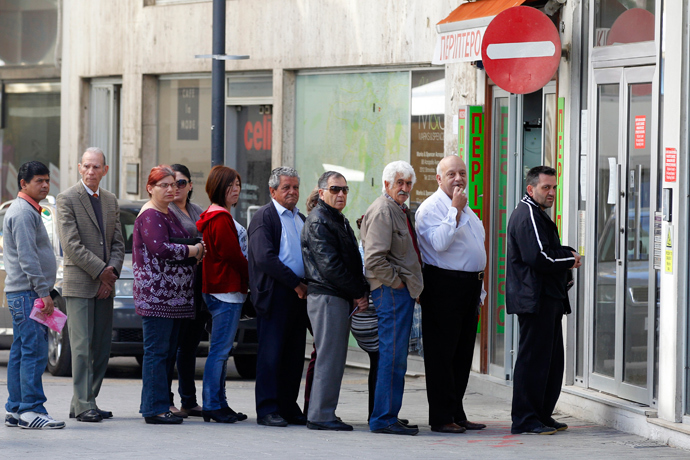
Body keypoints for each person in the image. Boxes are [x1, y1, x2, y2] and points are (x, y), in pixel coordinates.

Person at [506, 166, 582, 435]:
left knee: (550, 362)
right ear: (531, 189)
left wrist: (565, 261)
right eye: (545, 188)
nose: (551, 193)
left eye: (553, 187)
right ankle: (525, 419)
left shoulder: (537, 213)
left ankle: (540, 415)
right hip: (534, 300)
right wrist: (569, 260)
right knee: (532, 361)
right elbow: (538, 256)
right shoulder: (526, 214)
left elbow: (548, 252)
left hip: (547, 299)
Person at [415, 156, 487, 434]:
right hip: (444, 286)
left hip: (468, 287)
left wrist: (479, 290)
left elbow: (476, 247)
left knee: (462, 354)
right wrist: (454, 211)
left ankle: (457, 411)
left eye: (462, 173)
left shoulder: (466, 207)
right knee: (441, 356)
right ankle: (442, 417)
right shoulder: (432, 208)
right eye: (451, 174)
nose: (458, 179)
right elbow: (439, 244)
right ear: (438, 178)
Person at [56, 147, 125, 423]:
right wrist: (101, 273)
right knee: (82, 347)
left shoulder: (110, 200)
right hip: (81, 283)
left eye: (96, 167)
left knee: (101, 347)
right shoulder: (67, 198)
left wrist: (112, 272)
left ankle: (86, 400)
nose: (91, 171)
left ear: (105, 170)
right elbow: (71, 245)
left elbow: (118, 243)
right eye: (86, 166)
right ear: (79, 168)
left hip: (105, 284)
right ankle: (85, 404)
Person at [133, 165, 206, 425]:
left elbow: (189, 240)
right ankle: (153, 409)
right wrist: (195, 251)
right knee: (156, 353)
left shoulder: (170, 214)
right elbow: (161, 249)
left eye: (173, 185)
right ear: (150, 188)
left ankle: (161, 404)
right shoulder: (151, 214)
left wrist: (195, 248)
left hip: (177, 298)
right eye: (163, 185)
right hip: (156, 297)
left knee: (167, 353)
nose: (170, 189)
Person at [301, 172, 369, 431]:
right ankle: (320, 415)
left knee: (333, 356)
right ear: (321, 192)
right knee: (329, 357)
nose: (341, 194)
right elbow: (330, 267)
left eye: (344, 189)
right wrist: (358, 291)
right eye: (334, 189)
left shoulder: (335, 218)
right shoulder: (320, 220)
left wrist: (357, 290)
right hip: (328, 296)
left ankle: (324, 411)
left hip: (335, 296)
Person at [360, 160, 423, 436]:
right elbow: (374, 259)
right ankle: (383, 418)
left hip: (399, 293)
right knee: (392, 356)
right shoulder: (384, 210)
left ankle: (389, 414)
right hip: (391, 292)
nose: (405, 188)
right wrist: (397, 283)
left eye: (408, 184)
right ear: (387, 184)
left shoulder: (398, 210)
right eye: (400, 183)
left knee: (396, 357)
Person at [3, 161, 65, 430]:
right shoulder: (22, 212)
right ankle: (31, 409)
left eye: (47, 180)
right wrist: (44, 292)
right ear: (23, 184)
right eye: (39, 181)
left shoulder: (28, 210)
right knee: (34, 352)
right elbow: (28, 258)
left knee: (21, 351)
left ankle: (16, 408)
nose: (45, 185)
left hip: (26, 293)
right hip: (28, 293)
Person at [248, 166, 308, 427]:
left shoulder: (300, 218)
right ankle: (268, 409)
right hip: (276, 294)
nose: (292, 192)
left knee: (294, 356)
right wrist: (295, 282)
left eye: (295, 187)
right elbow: (265, 258)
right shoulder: (265, 217)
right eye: (286, 187)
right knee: (271, 355)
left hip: (299, 295)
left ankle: (287, 406)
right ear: (273, 191)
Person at [196, 165, 249, 424]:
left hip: (221, 290)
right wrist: (250, 278)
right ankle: (212, 405)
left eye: (238, 184)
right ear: (219, 188)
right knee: (219, 351)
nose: (236, 189)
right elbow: (233, 256)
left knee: (221, 350)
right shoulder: (220, 218)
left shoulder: (215, 215)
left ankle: (220, 403)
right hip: (225, 292)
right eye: (231, 185)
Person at [167, 164, 206, 419]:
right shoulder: (163, 211)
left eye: (181, 183)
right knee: (170, 347)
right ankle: (165, 399)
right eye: (171, 183)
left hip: (196, 287)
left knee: (190, 346)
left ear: (190, 185)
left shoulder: (197, 211)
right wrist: (196, 247)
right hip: (172, 288)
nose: (176, 188)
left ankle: (188, 400)